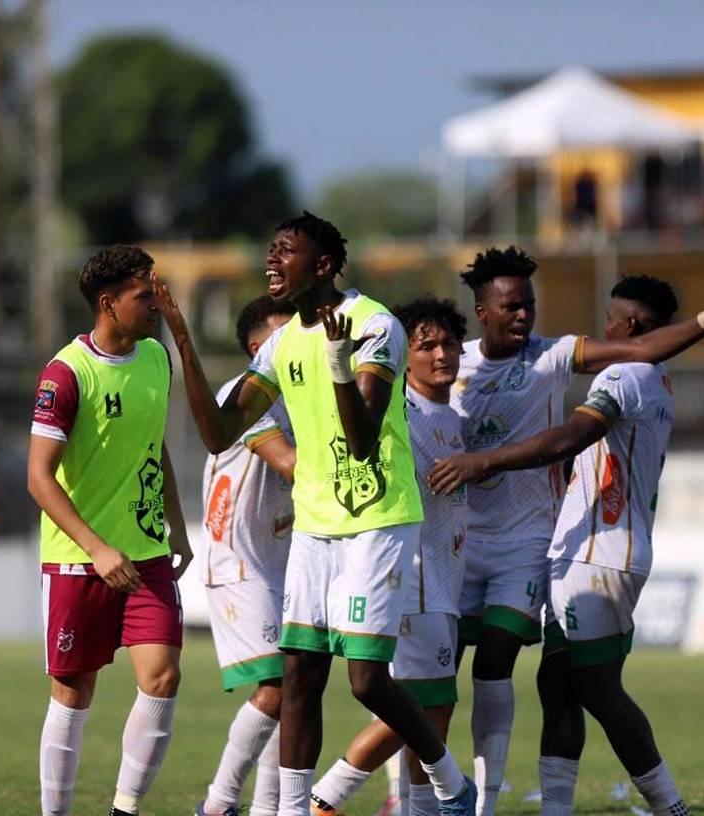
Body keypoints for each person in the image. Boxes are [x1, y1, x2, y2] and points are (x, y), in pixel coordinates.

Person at [155, 211, 477, 816]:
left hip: (377, 520)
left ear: (324, 265)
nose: (271, 260)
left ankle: (452, 783)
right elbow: (219, 432)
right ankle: (294, 810)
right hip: (314, 525)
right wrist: (181, 337)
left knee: (366, 682)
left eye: (285, 250)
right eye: (271, 249)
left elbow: (362, 437)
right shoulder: (282, 343)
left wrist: (336, 362)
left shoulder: (376, 324)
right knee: (299, 672)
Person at [447, 245, 704, 815]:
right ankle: (557, 809)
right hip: (595, 551)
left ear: (633, 327)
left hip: (599, 553)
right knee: (557, 686)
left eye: (612, 319)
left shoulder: (626, 373)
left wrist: (485, 460)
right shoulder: (657, 380)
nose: (606, 329)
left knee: (596, 688)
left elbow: (571, 438)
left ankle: (669, 805)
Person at [27, 245, 193, 816]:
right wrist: (97, 549)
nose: (156, 305)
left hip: (146, 554)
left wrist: (177, 527)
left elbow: (154, 446)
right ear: (108, 303)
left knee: (163, 677)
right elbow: (39, 478)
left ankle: (124, 809)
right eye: (144, 296)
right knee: (73, 693)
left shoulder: (157, 359)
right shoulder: (66, 374)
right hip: (79, 560)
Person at [310, 297, 469, 816]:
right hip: (413, 576)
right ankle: (326, 798)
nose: (441, 354)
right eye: (426, 346)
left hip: (441, 577)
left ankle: (413, 808)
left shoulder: (451, 415)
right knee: (422, 705)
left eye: (449, 343)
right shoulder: (402, 408)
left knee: (430, 707)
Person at [196, 295, 298, 816]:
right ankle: (218, 803)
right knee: (278, 685)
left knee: (293, 687)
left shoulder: (299, 395)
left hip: (281, 561)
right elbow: (291, 465)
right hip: (237, 561)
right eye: (285, 335)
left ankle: (266, 808)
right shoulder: (243, 395)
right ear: (258, 349)